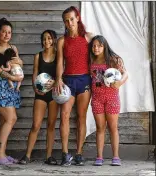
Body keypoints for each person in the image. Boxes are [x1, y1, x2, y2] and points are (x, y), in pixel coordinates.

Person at [55, 6, 94, 166]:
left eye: (71, 19)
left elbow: (101, 54)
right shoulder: (62, 41)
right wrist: (58, 78)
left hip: (85, 80)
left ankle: (78, 153)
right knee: (64, 115)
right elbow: (59, 62)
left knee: (81, 117)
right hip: (68, 82)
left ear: (77, 18)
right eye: (66, 20)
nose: (69, 23)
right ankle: (65, 153)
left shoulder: (88, 38)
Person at [19, 30, 59, 165]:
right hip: (40, 94)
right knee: (35, 125)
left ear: (53, 40)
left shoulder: (59, 56)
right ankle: (27, 155)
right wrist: (36, 88)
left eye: (49, 38)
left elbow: (61, 74)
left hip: (53, 94)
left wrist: (55, 83)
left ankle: (49, 156)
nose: (46, 41)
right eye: (44, 39)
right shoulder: (38, 56)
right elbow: (35, 74)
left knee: (51, 125)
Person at [0, 17, 23, 165]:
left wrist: (16, 73)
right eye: (4, 32)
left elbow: (19, 62)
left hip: (12, 87)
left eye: (9, 32)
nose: (7, 35)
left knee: (5, 120)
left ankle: (0, 153)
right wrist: (11, 76)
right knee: (11, 118)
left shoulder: (13, 48)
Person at [89, 35, 128, 166]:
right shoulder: (91, 61)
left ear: (104, 46)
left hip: (112, 98)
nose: (96, 48)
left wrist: (120, 82)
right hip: (97, 99)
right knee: (100, 128)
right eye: (93, 45)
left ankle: (116, 157)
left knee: (113, 127)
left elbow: (126, 74)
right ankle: (99, 157)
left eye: (99, 45)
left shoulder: (113, 60)